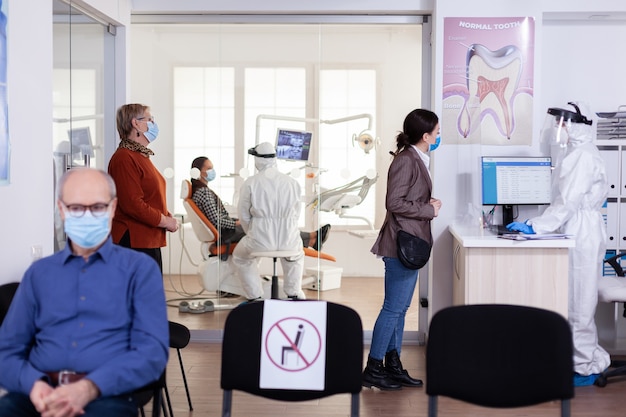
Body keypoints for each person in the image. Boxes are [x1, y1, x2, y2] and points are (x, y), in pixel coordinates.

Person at [0, 168, 169, 417]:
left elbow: (152, 352)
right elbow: (6, 350)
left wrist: (89, 388)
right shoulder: (39, 274)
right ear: (61, 209)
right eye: (77, 208)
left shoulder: (140, 271)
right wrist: (34, 385)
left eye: (98, 207)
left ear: (112, 209)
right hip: (41, 393)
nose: (87, 215)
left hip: (107, 394)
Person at [507, 101, 611, 386]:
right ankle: (579, 359)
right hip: (577, 228)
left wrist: (534, 225)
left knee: (579, 302)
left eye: (560, 123)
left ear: (574, 125)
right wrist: (537, 225)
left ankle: (585, 367)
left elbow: (567, 204)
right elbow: (564, 203)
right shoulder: (577, 153)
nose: (556, 128)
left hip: (582, 231)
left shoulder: (582, 156)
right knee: (572, 299)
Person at [363, 109, 442, 391]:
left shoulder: (417, 158)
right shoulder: (407, 160)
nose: (438, 135)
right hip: (400, 244)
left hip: (410, 241)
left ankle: (392, 365)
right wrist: (427, 209)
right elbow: (393, 202)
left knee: (400, 309)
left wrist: (425, 202)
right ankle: (373, 368)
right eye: (436, 132)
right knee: (393, 309)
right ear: (425, 136)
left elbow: (406, 197)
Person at [190, 156, 331, 250]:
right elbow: (216, 221)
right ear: (197, 172)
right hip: (227, 232)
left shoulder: (202, 190)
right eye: (208, 168)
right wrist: (236, 223)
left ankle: (312, 238)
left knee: (273, 227)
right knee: (272, 229)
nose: (212, 171)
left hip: (228, 229)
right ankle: (312, 239)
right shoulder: (204, 192)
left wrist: (237, 221)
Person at [232, 142, 313, 301]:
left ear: (257, 160)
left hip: (259, 240)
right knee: (295, 256)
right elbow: (296, 214)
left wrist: (253, 233)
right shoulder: (292, 182)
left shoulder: (250, 182)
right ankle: (293, 293)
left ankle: (255, 297)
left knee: (240, 257)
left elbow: (243, 215)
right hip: (288, 240)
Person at [107, 103, 179, 271]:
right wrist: (165, 221)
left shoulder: (140, 156)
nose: (153, 123)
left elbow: (149, 196)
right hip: (134, 242)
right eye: (150, 119)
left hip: (147, 240)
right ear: (136, 123)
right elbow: (133, 204)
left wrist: (166, 216)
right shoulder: (124, 158)